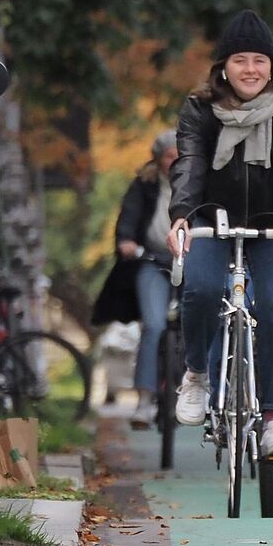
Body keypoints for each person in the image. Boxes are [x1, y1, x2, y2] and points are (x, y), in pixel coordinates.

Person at [166, 9, 273, 459]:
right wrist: (181, 215)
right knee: (200, 288)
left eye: (259, 60)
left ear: (271, 66)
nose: (250, 69)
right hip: (212, 219)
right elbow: (190, 164)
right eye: (240, 60)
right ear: (223, 67)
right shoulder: (199, 109)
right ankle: (197, 374)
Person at [98, 131, 178, 426]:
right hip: (152, 260)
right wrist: (126, 240)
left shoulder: (199, 181)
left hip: (191, 261)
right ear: (158, 160)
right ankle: (144, 400)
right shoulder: (144, 184)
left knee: (201, 319)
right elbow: (128, 217)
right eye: (169, 156)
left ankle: (198, 389)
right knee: (153, 324)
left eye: (181, 156)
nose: (176, 162)